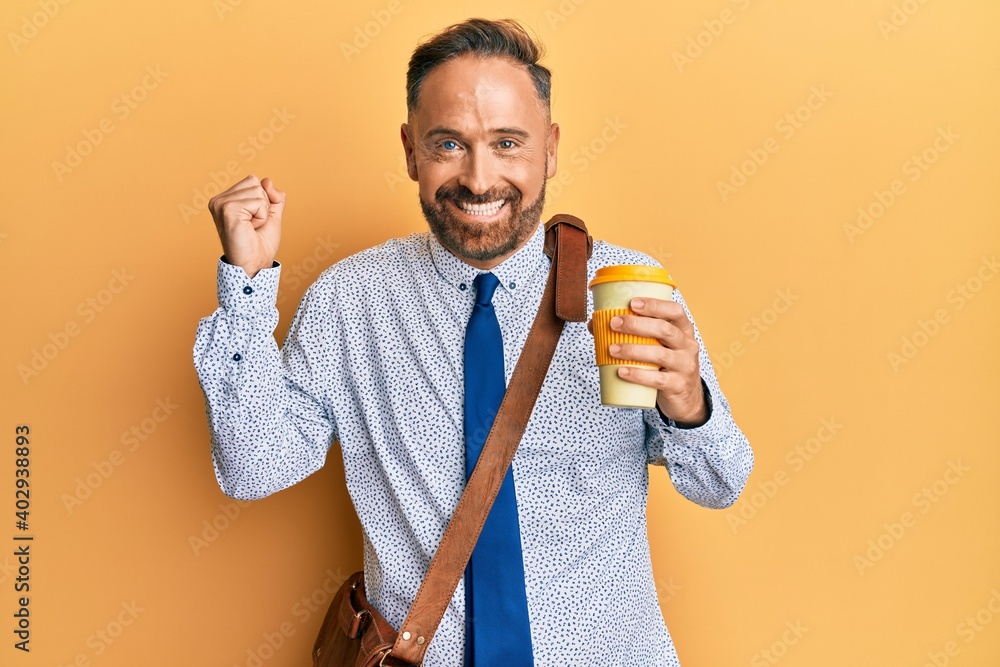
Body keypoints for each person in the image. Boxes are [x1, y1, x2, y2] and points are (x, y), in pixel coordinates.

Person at [193, 17, 753, 666]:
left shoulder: (628, 289)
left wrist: (689, 401)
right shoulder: (350, 301)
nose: (481, 178)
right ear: (410, 150)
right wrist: (247, 285)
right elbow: (252, 466)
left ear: (550, 149)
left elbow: (722, 481)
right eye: (449, 144)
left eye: (508, 142)